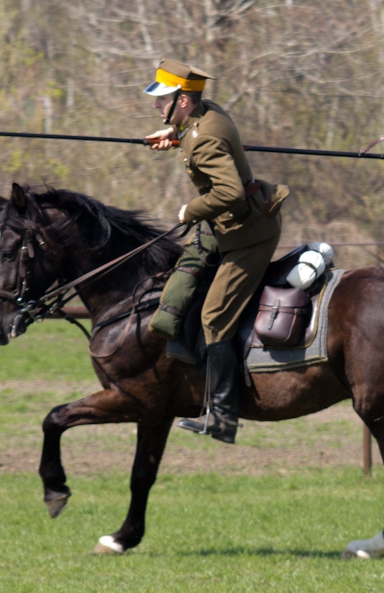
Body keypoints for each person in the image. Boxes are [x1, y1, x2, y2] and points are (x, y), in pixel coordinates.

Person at [144, 58, 289, 444]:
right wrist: (173, 135)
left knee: (213, 316)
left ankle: (223, 417)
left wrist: (189, 210)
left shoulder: (203, 137)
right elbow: (201, 133)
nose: (157, 106)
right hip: (230, 224)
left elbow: (229, 192)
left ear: (184, 102)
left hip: (248, 235)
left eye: (164, 101)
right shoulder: (207, 115)